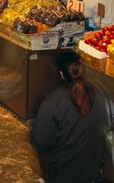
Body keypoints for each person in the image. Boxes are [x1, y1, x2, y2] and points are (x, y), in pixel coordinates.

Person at [32, 51, 108, 183]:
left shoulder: (53, 101)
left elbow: (41, 140)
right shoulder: (100, 95)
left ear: (61, 74)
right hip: (92, 172)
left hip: (61, 173)